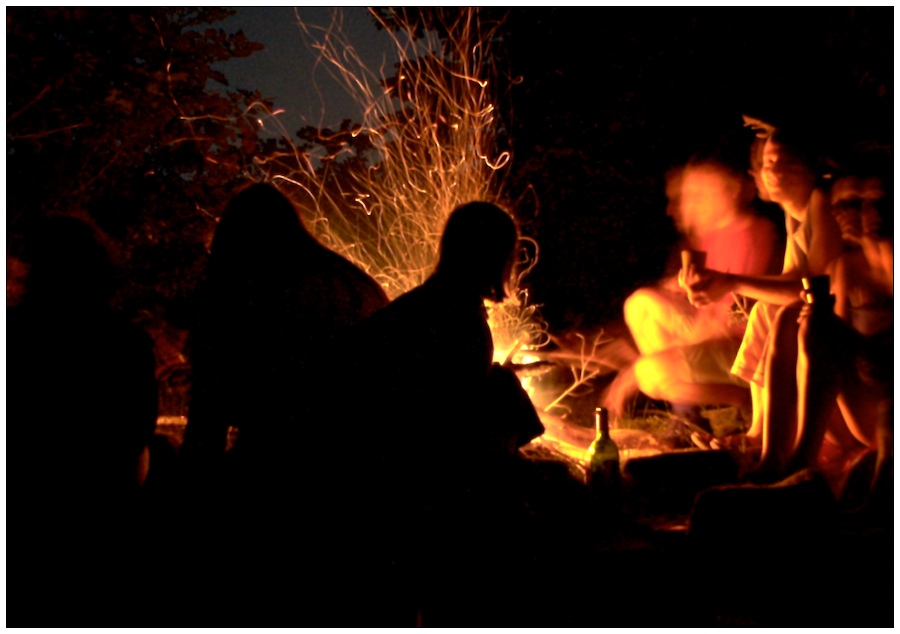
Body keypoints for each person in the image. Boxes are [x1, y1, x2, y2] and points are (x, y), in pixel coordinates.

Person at [182, 182, 389, 478]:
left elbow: (208, 420)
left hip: (279, 468)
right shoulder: (354, 284)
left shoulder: (246, 296)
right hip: (365, 465)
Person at [685, 128, 845, 448]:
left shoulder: (821, 202)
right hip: (814, 316)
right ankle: (758, 431)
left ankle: (769, 438)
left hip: (840, 320)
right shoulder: (794, 214)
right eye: (767, 160)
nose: (770, 170)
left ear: (810, 166)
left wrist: (731, 281)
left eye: (782, 160)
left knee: (774, 313)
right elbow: (789, 280)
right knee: (765, 311)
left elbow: (808, 287)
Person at [751, 160, 892, 507]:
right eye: (841, 205)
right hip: (857, 400)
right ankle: (774, 457)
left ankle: (802, 462)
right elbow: (831, 356)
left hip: (884, 407)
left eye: (864, 203)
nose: (849, 214)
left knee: (816, 322)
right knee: (790, 316)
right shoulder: (847, 267)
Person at [613, 156, 779, 424]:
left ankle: (741, 400)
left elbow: (729, 321)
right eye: (688, 195)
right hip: (711, 335)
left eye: (700, 194)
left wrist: (638, 371)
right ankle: (688, 412)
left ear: (732, 191)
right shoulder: (710, 238)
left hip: (740, 346)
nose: (688, 204)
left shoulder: (753, 236)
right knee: (640, 304)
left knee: (647, 371)